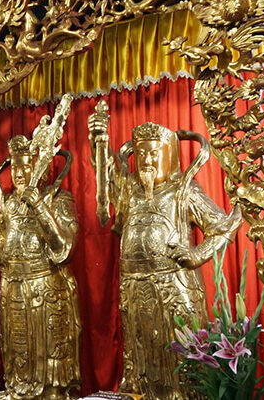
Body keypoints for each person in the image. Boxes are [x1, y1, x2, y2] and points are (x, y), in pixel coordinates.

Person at [88, 104, 242, 400]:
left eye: (153, 152)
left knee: (180, 360)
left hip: (174, 288)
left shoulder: (183, 191)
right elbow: (105, 182)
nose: (146, 159)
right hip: (134, 289)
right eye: (141, 152)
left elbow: (226, 225)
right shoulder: (130, 191)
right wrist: (98, 140)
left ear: (168, 154)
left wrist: (198, 254)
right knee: (142, 357)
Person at [0, 134, 81, 400]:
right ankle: (19, 388)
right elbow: (0, 234)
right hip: (13, 285)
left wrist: (37, 203)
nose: (19, 173)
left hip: (45, 285)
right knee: (18, 345)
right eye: (15, 166)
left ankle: (51, 392)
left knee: (48, 346)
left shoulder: (59, 198)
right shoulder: (9, 204)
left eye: (27, 166)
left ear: (42, 167)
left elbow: (64, 248)